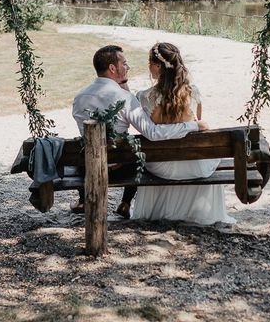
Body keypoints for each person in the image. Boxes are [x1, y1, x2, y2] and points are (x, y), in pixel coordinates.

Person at [72, 45, 208, 218]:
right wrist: (194, 125)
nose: (128, 67)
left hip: (88, 167)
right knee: (137, 155)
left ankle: (84, 199)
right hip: (120, 169)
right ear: (113, 68)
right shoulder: (125, 99)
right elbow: (152, 132)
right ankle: (126, 202)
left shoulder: (79, 97)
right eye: (125, 63)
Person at [132, 42, 236, 225]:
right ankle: (193, 210)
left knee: (151, 157)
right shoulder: (193, 93)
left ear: (157, 66)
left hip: (161, 168)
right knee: (202, 153)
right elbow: (197, 130)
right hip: (195, 166)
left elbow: (151, 132)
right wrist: (191, 126)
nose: (148, 66)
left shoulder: (144, 97)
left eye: (150, 62)